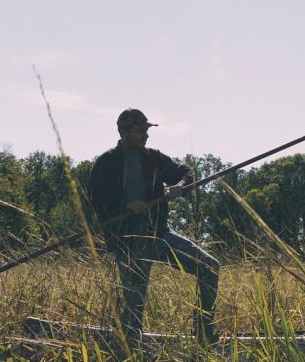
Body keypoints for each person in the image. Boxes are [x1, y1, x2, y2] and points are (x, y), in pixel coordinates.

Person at [87, 108, 220, 345]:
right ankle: (130, 350)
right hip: (128, 241)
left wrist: (180, 185)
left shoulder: (154, 158)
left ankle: (204, 332)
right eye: (140, 131)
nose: (146, 136)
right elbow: (96, 202)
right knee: (133, 302)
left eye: (147, 130)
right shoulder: (107, 163)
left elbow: (187, 172)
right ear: (124, 131)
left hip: (159, 234)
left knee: (209, 267)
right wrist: (126, 206)